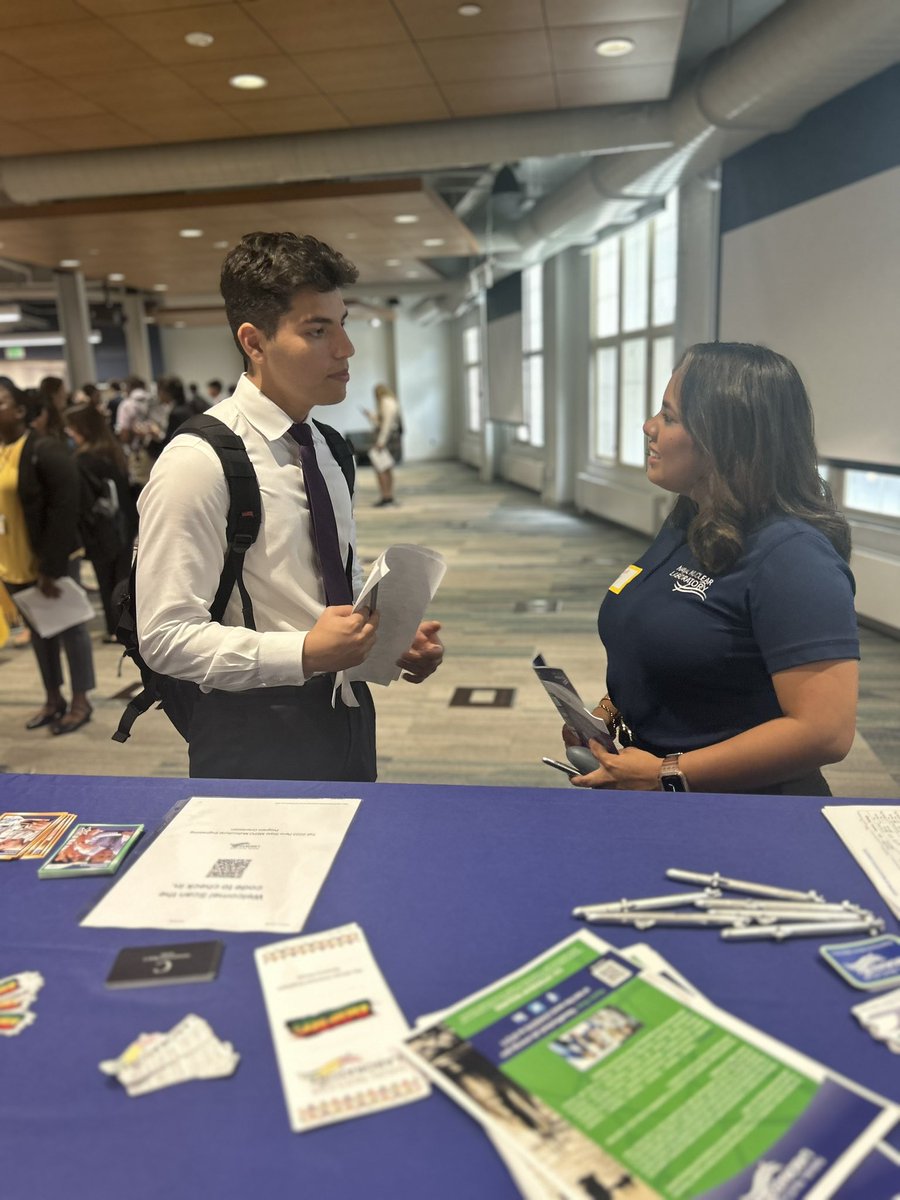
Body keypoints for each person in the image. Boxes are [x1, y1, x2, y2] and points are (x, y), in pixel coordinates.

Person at [134, 231, 444, 781]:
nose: (345, 349)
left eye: (343, 323)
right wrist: (304, 652)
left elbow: (318, 588)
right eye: (317, 331)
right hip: (250, 730)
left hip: (345, 710)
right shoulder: (198, 461)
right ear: (254, 342)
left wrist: (382, 638)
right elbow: (165, 637)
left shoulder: (328, 446)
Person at [563, 342, 858, 796]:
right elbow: (675, 650)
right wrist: (607, 712)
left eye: (670, 416)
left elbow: (825, 732)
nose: (649, 427)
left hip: (745, 812)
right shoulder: (693, 517)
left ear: (726, 437)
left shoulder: (794, 557)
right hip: (662, 793)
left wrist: (665, 772)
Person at [0, 380, 96, 735]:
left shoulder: (44, 448)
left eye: (2, 402)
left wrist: (52, 568)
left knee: (70, 629)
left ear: (21, 409)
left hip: (49, 561)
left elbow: (64, 508)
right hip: (12, 563)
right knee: (40, 634)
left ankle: (81, 701)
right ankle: (52, 698)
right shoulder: (2, 449)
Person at [64, 402, 135, 641]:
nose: (69, 433)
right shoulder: (114, 451)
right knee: (124, 579)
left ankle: (114, 629)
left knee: (106, 581)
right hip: (124, 525)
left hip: (99, 530)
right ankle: (128, 626)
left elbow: (83, 502)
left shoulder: (82, 460)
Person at [363, 383, 402, 506]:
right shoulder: (391, 401)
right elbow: (383, 421)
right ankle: (388, 495)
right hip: (391, 438)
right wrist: (371, 416)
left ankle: (386, 496)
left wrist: (381, 442)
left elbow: (386, 424)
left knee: (381, 468)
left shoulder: (386, 402)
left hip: (387, 439)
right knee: (387, 468)